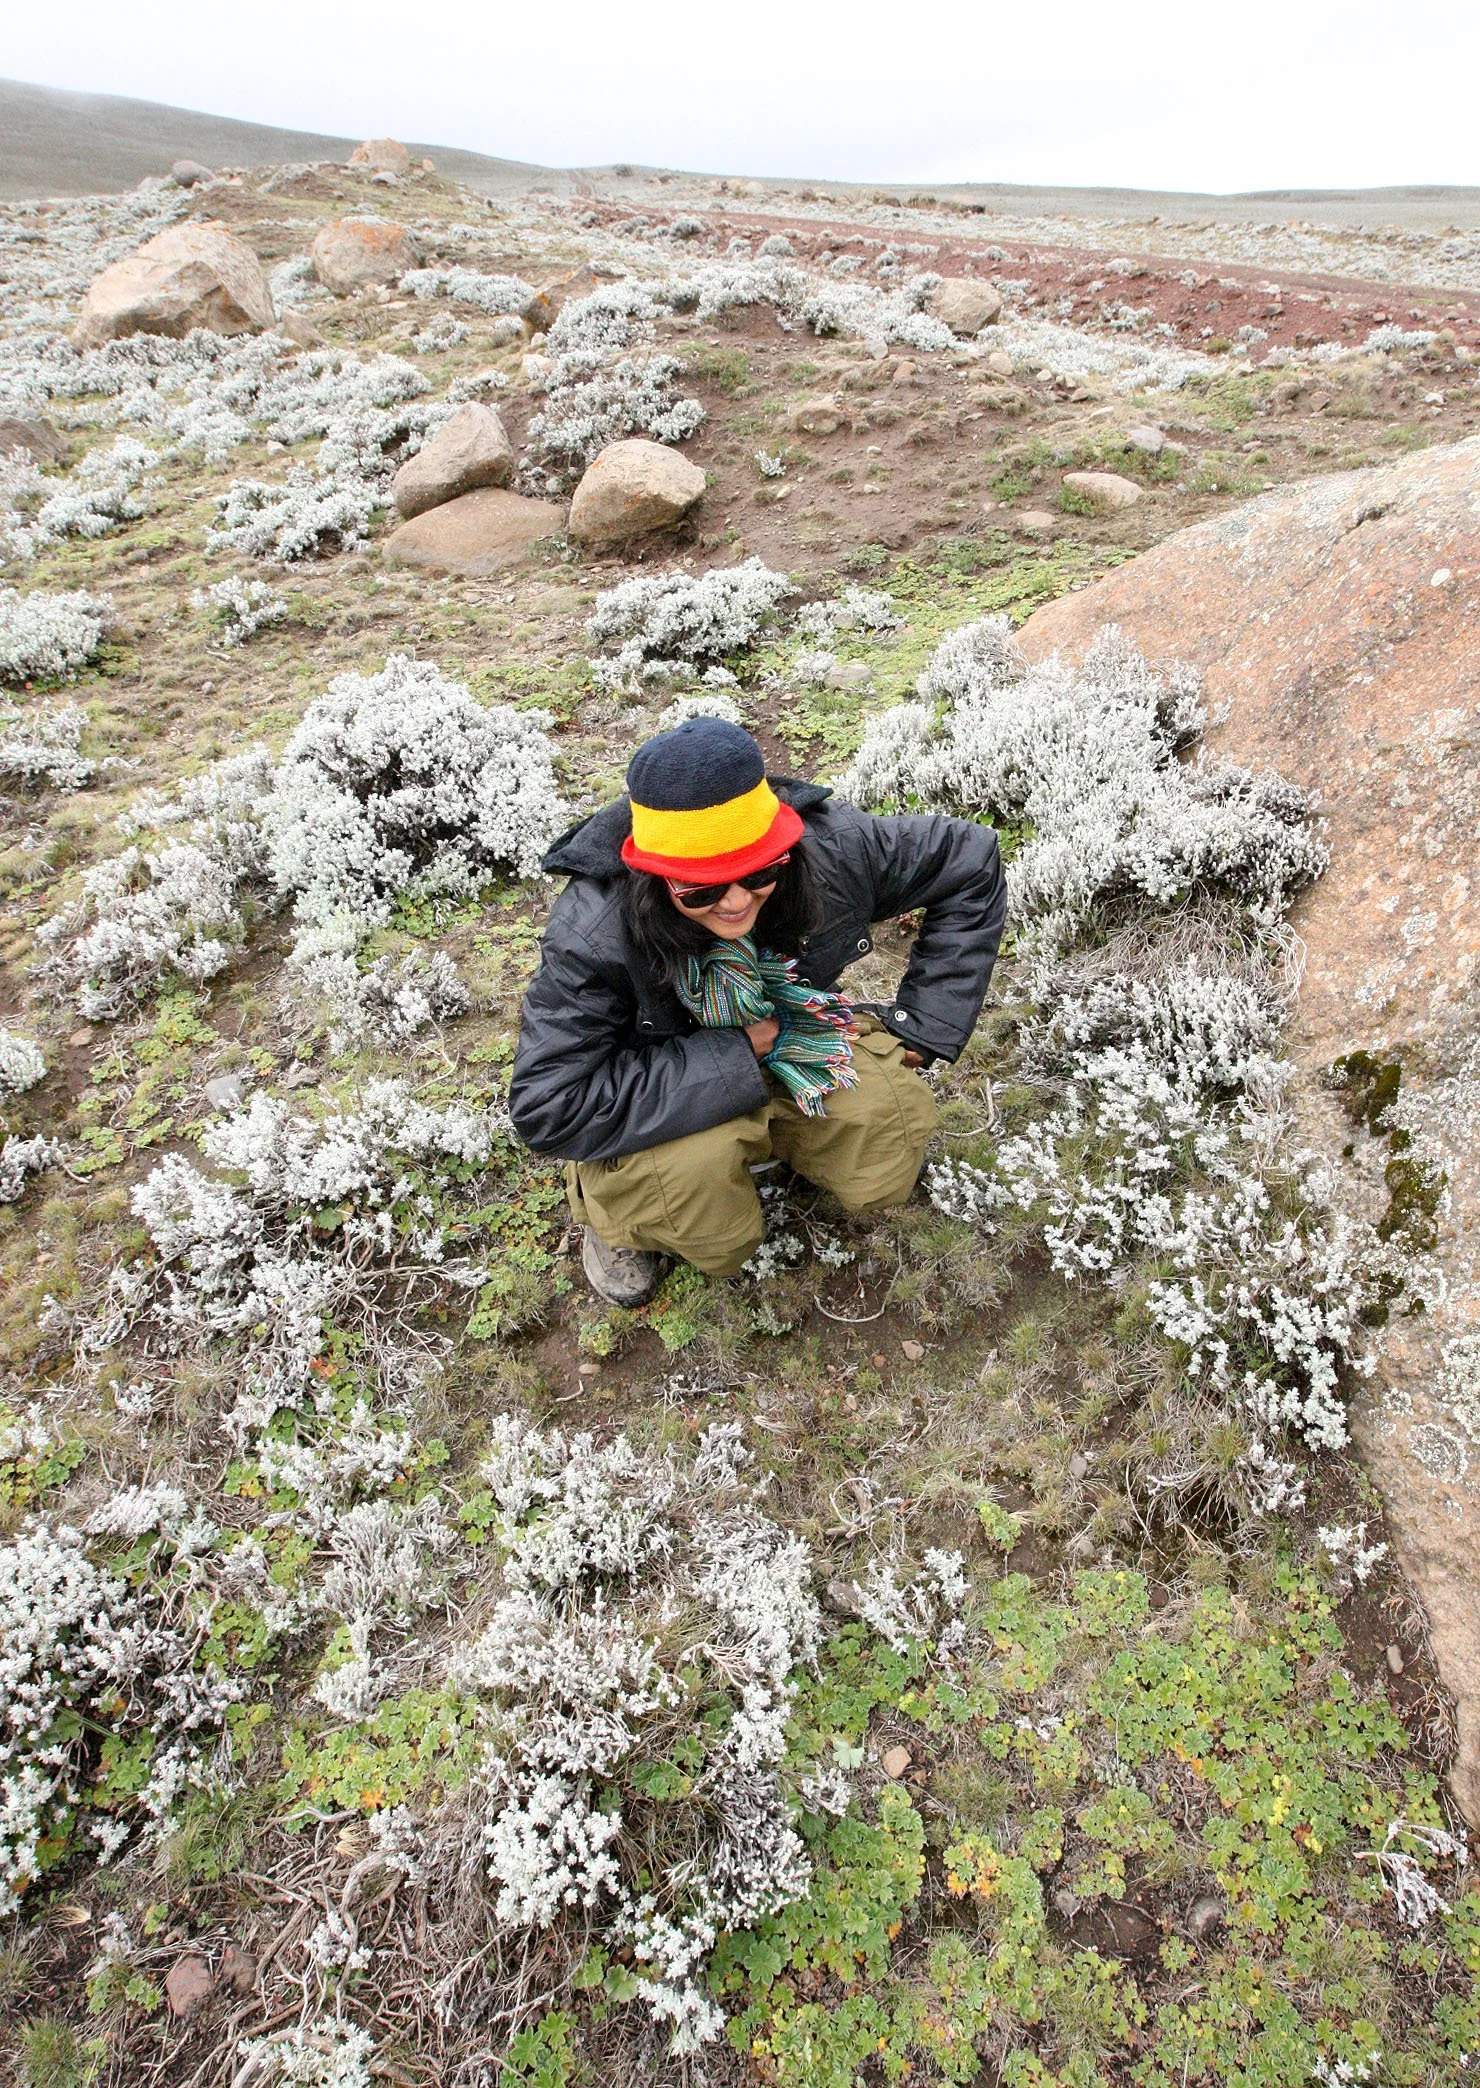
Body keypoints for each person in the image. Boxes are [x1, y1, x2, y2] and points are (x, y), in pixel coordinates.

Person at [509, 716, 1007, 1306]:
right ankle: (615, 1217)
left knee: (887, 1130)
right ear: (654, 879)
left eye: (759, 872)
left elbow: (971, 859)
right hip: (657, 1081)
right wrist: (741, 1050)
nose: (738, 902)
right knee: (695, 1193)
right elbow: (548, 1106)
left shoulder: (830, 849)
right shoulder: (594, 933)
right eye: (700, 890)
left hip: (787, 1034)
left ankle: (781, 1144)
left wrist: (925, 1022)